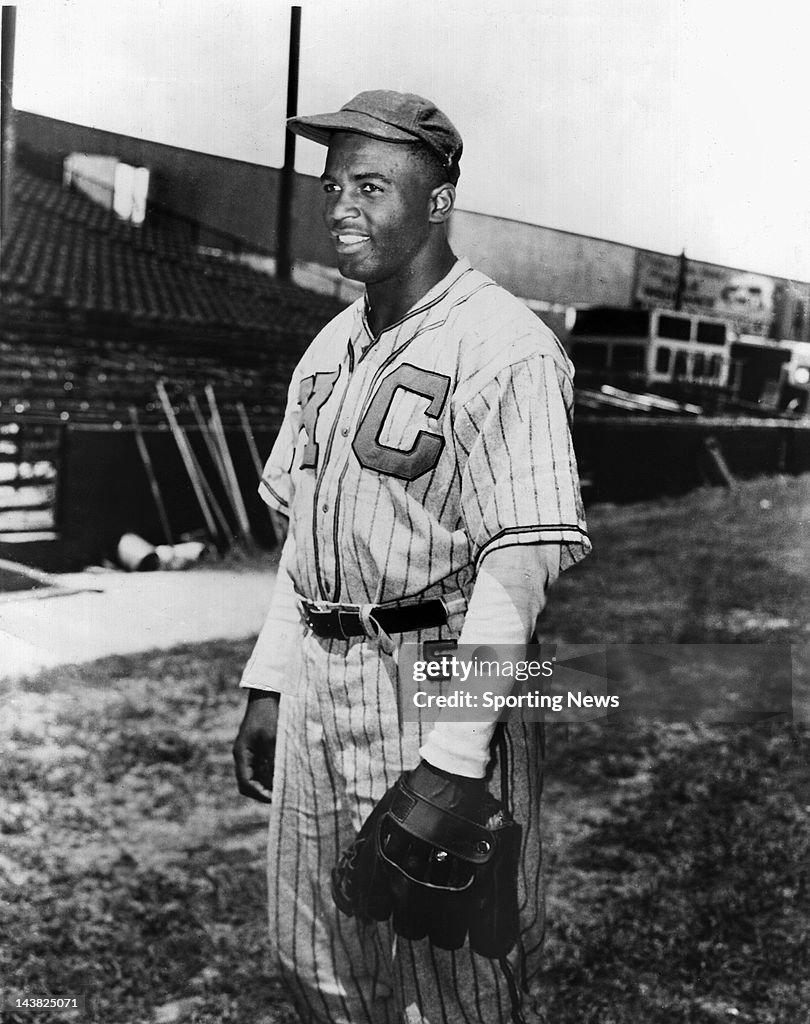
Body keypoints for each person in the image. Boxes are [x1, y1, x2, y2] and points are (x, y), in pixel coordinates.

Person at [233, 89, 590, 1024]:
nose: (340, 205)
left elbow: (519, 566)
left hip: (429, 679)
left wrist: (455, 759)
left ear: (437, 202)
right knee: (315, 964)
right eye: (332, 183)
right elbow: (304, 536)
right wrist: (271, 682)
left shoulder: (505, 345)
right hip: (317, 673)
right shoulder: (326, 349)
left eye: (370, 185)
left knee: (450, 987)